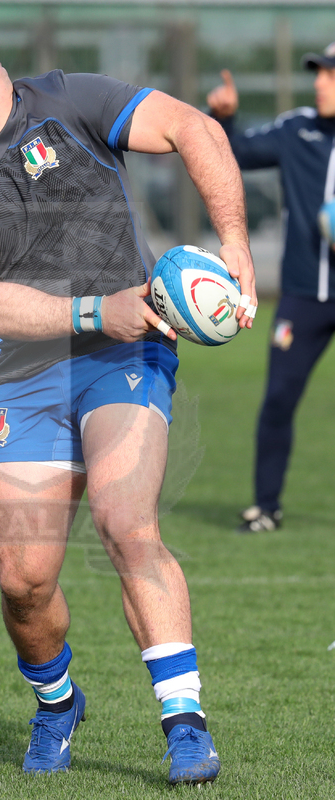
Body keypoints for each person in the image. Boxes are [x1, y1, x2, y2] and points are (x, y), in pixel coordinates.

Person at [0, 33, 256, 784]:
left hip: (125, 359)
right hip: (31, 371)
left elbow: (195, 126)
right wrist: (100, 308)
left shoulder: (72, 101)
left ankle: (184, 724)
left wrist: (233, 243)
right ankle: (57, 702)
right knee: (21, 579)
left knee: (126, 521)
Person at [207, 43, 335, 534]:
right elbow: (234, 153)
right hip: (302, 296)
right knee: (279, 398)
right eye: (318, 73)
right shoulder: (295, 129)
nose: (320, 82)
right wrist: (224, 120)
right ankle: (266, 507)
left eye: (329, 74)